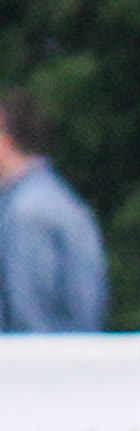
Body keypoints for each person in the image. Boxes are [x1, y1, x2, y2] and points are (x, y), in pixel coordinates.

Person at [0, 89, 107, 332]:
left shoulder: (28, 212)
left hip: (39, 354)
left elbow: (30, 318)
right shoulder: (52, 197)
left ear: (5, 143)